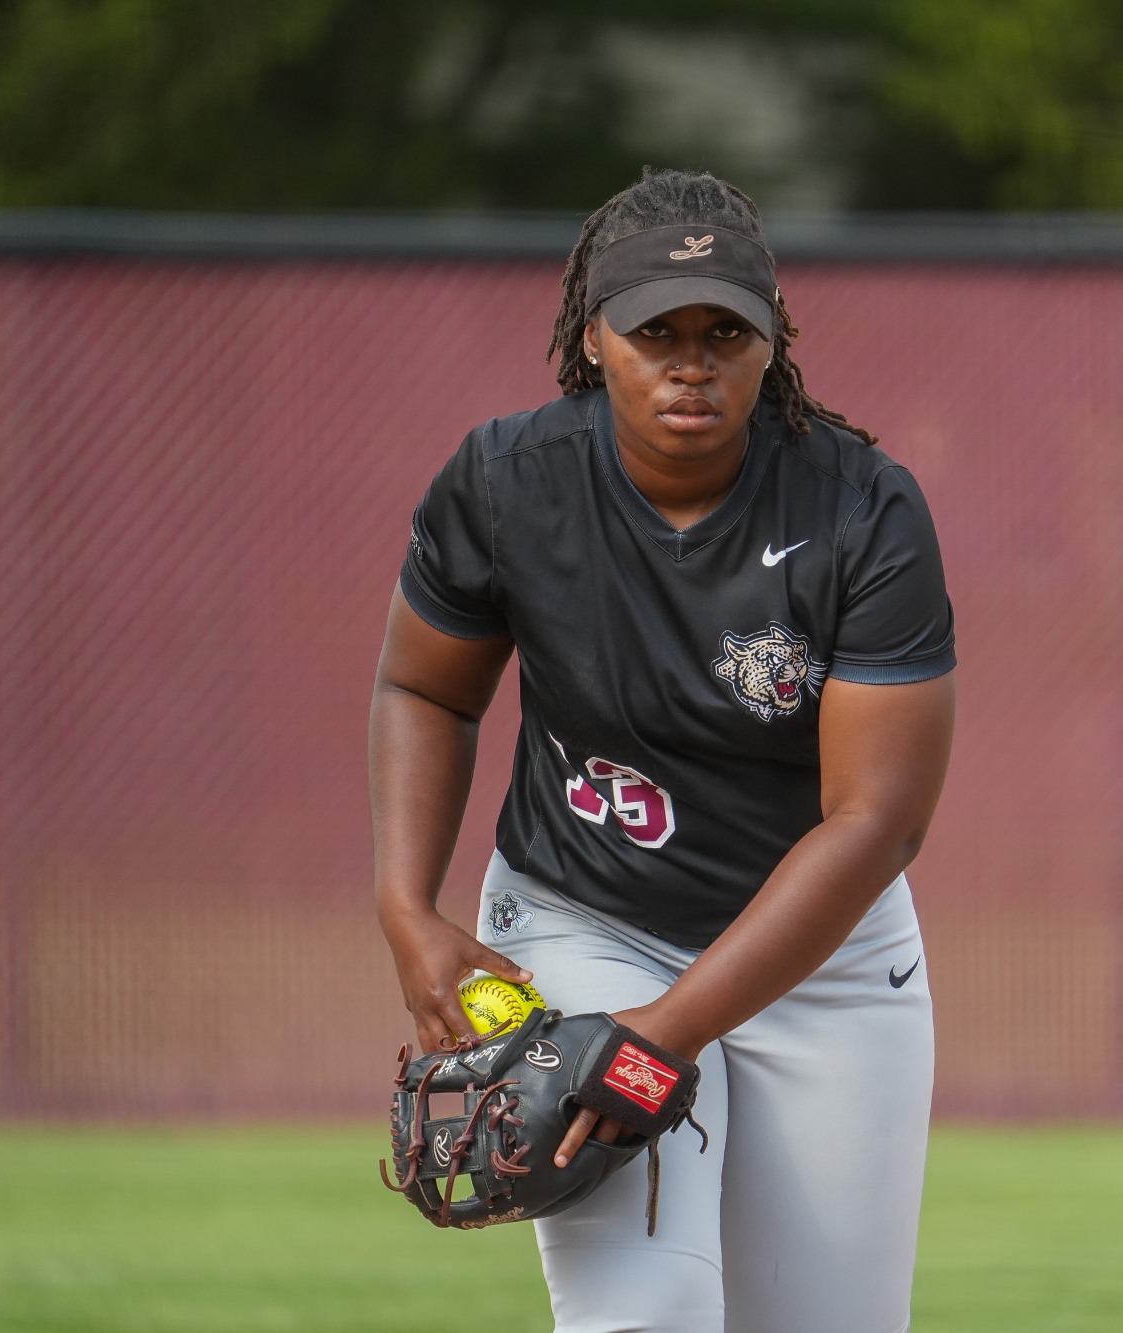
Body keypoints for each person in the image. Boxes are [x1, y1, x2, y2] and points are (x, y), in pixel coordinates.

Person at [370, 167, 957, 1332]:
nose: (690, 362)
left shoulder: (858, 509)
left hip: (823, 964)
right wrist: (405, 906)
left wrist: (662, 1036)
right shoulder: (507, 482)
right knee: (642, 1317)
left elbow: (876, 821)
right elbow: (423, 688)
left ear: (772, 343)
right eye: (655, 333)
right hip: (585, 921)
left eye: (723, 332)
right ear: (594, 340)